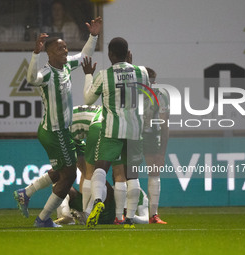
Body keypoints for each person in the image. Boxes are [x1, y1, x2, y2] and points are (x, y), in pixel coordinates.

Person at [13, 17, 102, 228]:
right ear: (49, 53)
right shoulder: (45, 74)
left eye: (65, 47)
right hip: (55, 132)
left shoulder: (67, 66)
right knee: (69, 175)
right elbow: (32, 79)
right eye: (60, 49)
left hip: (60, 131)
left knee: (63, 172)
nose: (65, 51)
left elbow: (85, 55)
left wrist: (93, 35)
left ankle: (26, 192)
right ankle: (43, 219)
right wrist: (34, 54)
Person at [81, 37, 151, 228]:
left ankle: (97, 202)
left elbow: (88, 100)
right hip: (135, 130)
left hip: (112, 128)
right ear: (128, 52)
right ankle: (128, 218)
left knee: (101, 168)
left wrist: (88, 74)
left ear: (110, 54)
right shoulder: (142, 72)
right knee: (132, 175)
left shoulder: (104, 75)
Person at [143, 67, 170, 224]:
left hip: (149, 135)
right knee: (125, 173)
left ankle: (153, 214)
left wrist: (162, 152)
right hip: (133, 135)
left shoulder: (160, 94)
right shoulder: (132, 93)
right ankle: (124, 213)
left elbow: (164, 123)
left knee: (153, 171)